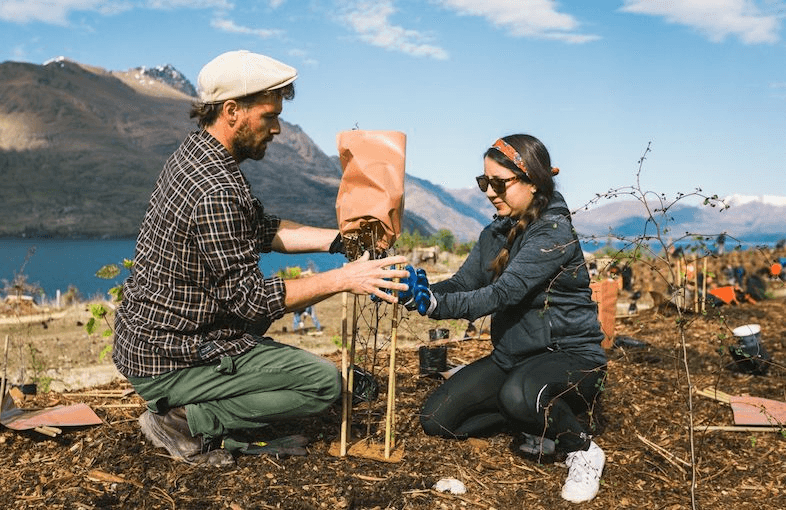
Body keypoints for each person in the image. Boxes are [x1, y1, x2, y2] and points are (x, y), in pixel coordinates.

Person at [112, 50, 408, 468]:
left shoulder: (200, 156)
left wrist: (341, 241)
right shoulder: (216, 188)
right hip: (172, 356)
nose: (278, 128)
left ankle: (198, 401)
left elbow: (259, 228)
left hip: (153, 343)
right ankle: (187, 420)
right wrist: (346, 278)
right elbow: (251, 300)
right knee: (323, 384)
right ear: (232, 111)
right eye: (269, 116)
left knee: (268, 328)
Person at [407, 134, 608, 503]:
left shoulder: (552, 232)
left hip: (572, 358)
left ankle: (581, 449)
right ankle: (528, 415)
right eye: (485, 182)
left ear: (532, 181)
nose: (488, 192)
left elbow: (504, 293)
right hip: (515, 358)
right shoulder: (495, 232)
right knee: (437, 420)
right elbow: (463, 283)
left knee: (520, 393)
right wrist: (415, 291)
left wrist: (437, 306)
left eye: (499, 183)